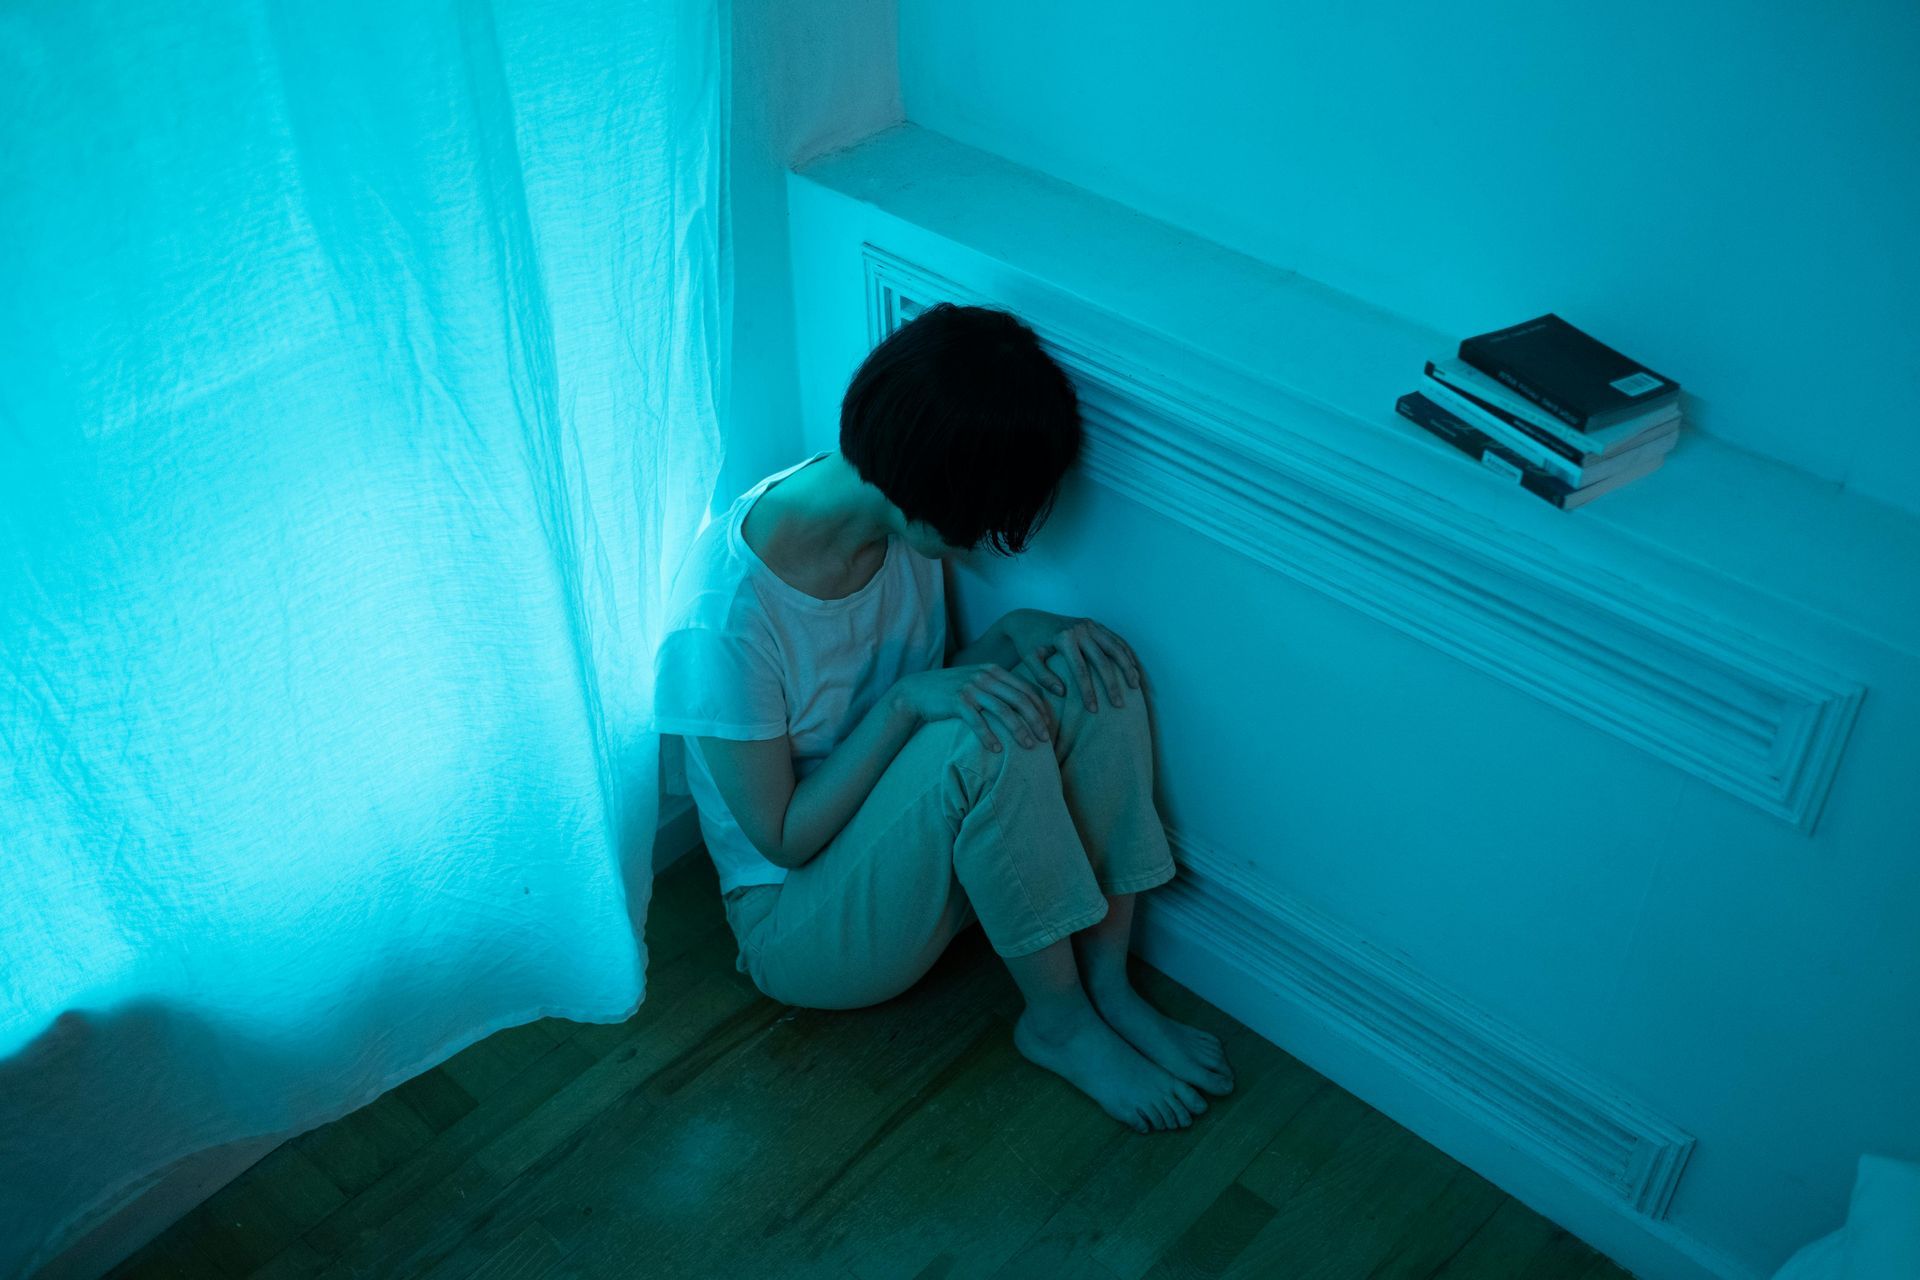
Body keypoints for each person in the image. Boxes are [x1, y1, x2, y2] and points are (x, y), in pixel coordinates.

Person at [644, 302, 1233, 1134]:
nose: (984, 543)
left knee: (1087, 665)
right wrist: (906, 704)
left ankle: (1107, 985)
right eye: (983, 520)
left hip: (914, 855)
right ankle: (1059, 1025)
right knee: (975, 741)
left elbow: (932, 710)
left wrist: (1014, 636)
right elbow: (785, 837)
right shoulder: (722, 622)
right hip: (799, 923)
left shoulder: (894, 520)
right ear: (928, 488)